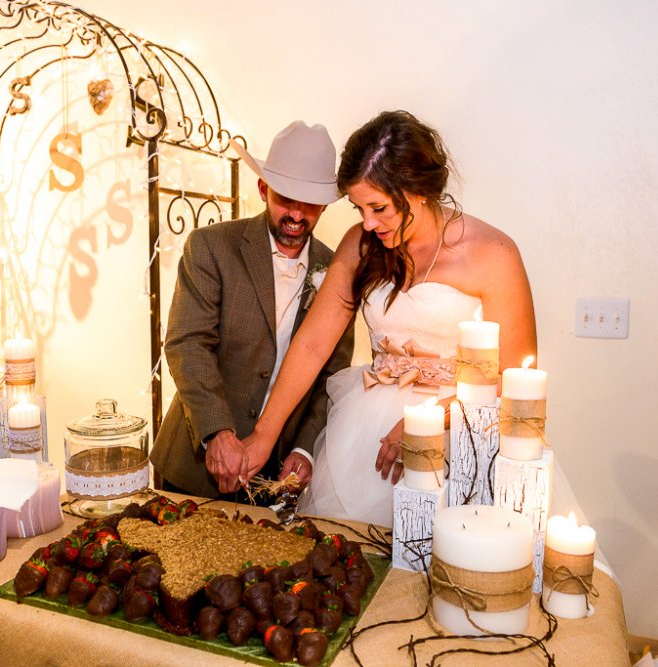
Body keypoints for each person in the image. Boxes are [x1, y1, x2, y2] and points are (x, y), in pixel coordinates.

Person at [242, 110, 536, 526]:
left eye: (378, 208)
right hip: (367, 428)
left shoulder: (494, 254)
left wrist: (427, 422)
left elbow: (512, 375)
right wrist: (263, 435)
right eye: (359, 208)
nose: (367, 223)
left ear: (417, 190)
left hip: (462, 430)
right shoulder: (360, 246)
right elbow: (311, 345)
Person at [150, 121, 354, 499]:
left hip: (274, 480)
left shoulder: (338, 270)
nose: (296, 214)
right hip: (193, 469)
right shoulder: (210, 247)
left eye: (309, 203)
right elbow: (188, 344)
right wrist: (217, 433)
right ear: (263, 189)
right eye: (284, 198)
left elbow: (332, 376)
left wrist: (304, 449)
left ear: (325, 204)